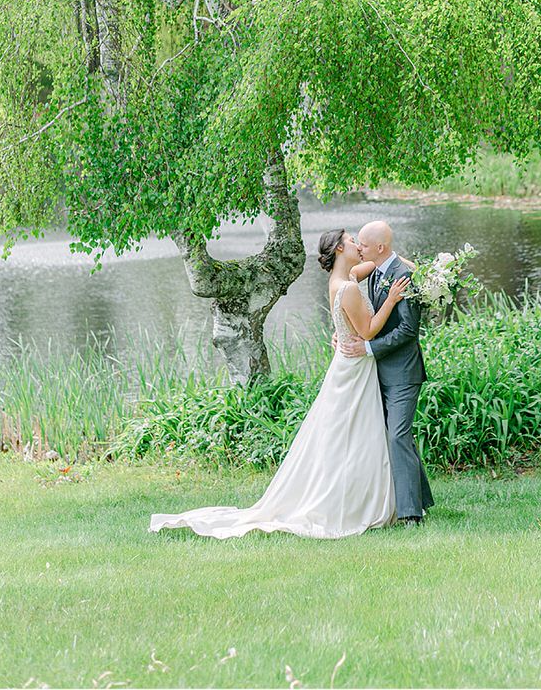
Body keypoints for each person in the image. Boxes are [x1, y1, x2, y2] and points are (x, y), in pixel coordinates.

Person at [148, 228, 410, 540]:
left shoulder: (347, 276)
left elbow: (384, 262)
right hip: (354, 365)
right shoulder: (349, 288)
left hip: (348, 364)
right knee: (350, 434)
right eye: (353, 241)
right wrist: (392, 300)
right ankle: (350, 501)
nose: (359, 244)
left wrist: (399, 259)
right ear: (340, 248)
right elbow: (367, 331)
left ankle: (360, 494)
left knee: (348, 434)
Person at [338, 220, 434, 526]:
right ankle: (422, 498)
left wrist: (368, 349)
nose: (359, 248)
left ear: (379, 247)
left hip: (403, 373)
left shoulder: (402, 278)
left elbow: (408, 329)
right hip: (377, 372)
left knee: (397, 437)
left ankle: (410, 514)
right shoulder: (377, 271)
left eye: (364, 244)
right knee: (397, 437)